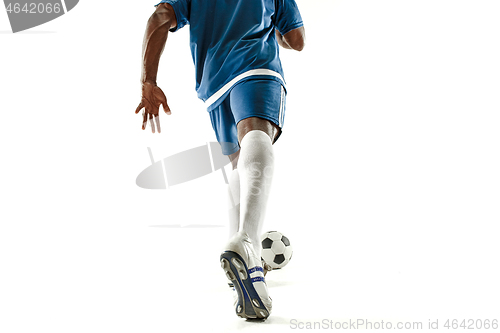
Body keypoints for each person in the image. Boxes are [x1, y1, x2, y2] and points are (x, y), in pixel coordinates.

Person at [135, 0, 305, 319]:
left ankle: (244, 259)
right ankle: (248, 244)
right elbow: (296, 40)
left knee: (239, 162)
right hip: (257, 67)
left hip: (214, 86)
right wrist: (280, 33)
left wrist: (149, 80)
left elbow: (159, 17)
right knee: (258, 133)